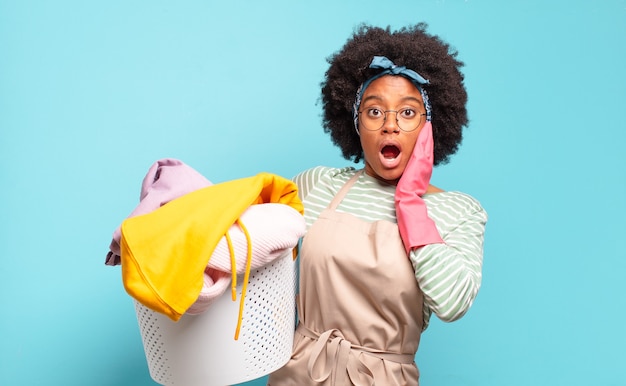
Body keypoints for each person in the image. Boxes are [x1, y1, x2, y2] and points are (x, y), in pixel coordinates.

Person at [268, 23, 488, 385]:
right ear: (355, 123)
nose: (390, 126)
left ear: (430, 126)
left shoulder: (458, 211)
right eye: (374, 112)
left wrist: (410, 202)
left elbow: (452, 303)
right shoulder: (315, 184)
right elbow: (250, 255)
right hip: (297, 373)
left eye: (407, 113)